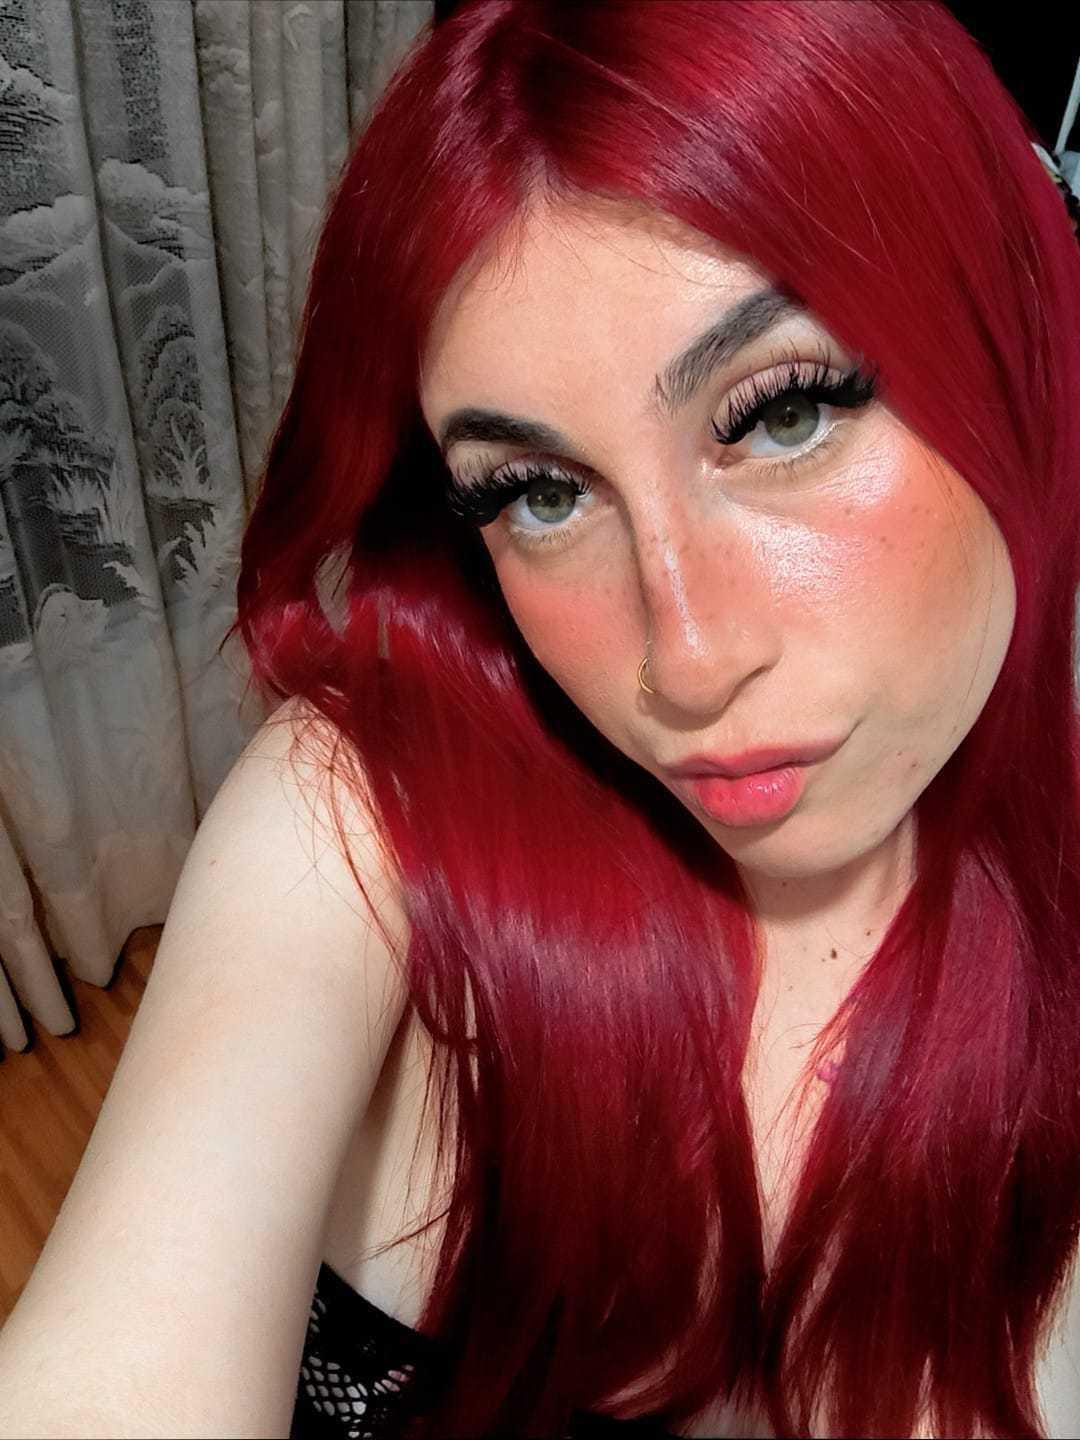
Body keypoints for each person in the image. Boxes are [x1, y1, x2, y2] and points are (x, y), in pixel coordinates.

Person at [1, 3, 1078, 1438]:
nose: (687, 662)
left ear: (1012, 345)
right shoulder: (366, 816)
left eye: (786, 413)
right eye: (542, 494)